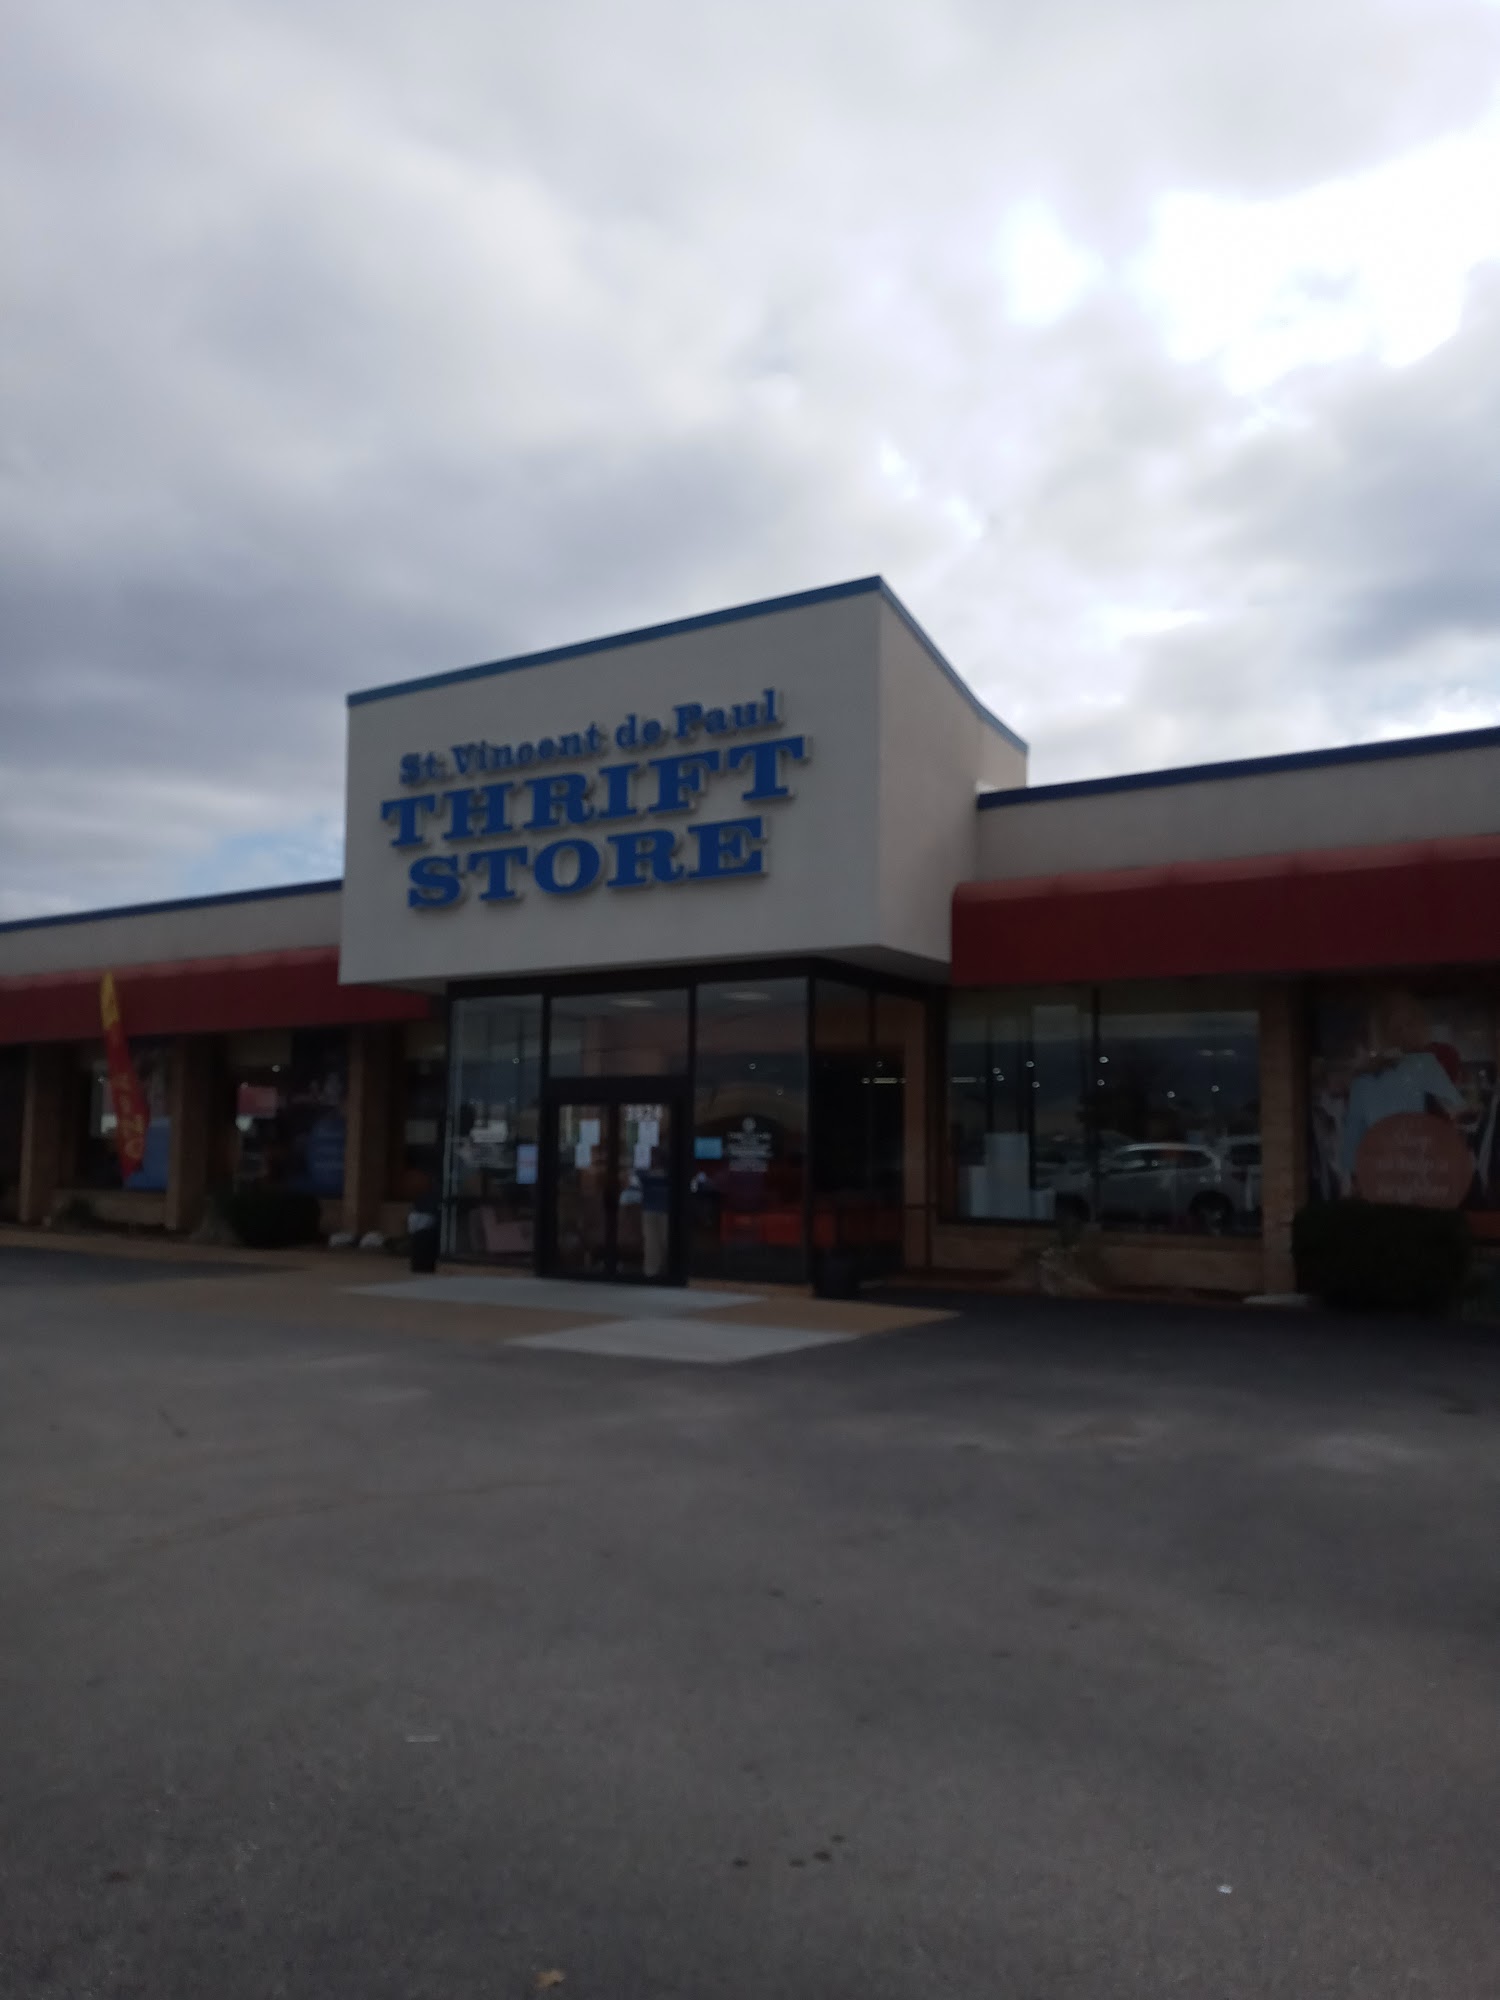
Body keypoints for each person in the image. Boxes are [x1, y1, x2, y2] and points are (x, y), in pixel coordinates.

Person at [1339, 991, 1465, 1194]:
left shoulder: (1437, 1057)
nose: (1405, 1033)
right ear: (1386, 1035)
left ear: (1419, 1024)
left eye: (1409, 1024)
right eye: (1397, 1029)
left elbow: (1454, 1106)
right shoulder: (1374, 1074)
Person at [639, 1145, 671, 1278]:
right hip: (657, 1210)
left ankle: (654, 1270)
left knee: (656, 1241)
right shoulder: (665, 1175)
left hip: (657, 1210)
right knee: (655, 1241)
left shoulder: (645, 1174)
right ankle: (655, 1271)